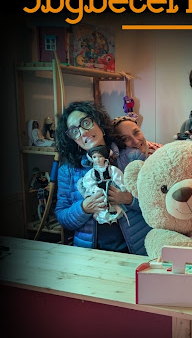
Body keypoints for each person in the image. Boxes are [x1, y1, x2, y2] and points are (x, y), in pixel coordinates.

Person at [55, 100, 151, 255]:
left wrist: (129, 199)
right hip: (91, 255)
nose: (83, 132)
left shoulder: (133, 158)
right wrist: (83, 208)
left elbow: (158, 203)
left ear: (99, 122)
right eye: (74, 131)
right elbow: (62, 216)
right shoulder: (68, 170)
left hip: (137, 250)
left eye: (86, 123)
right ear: (72, 139)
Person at [77, 145, 127, 224]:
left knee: (112, 203)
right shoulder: (92, 172)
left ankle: (113, 214)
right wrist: (93, 189)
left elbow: (118, 178)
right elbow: (89, 182)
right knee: (101, 204)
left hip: (110, 188)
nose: (97, 159)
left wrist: (121, 188)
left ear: (105, 157)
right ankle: (104, 216)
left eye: (100, 156)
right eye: (94, 157)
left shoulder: (111, 169)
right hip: (99, 190)